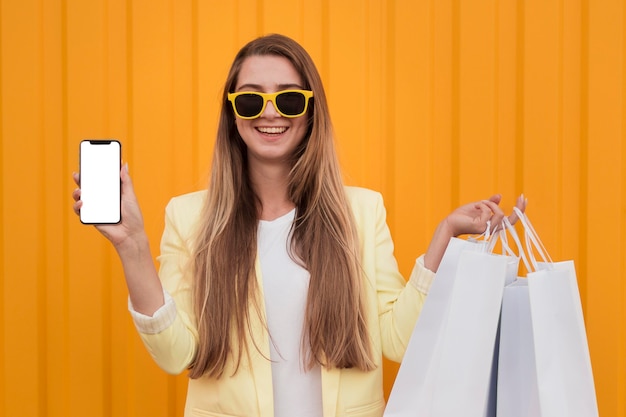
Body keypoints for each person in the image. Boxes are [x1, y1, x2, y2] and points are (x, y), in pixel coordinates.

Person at [72, 33, 525, 417]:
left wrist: (444, 236)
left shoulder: (362, 212)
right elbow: (177, 355)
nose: (270, 113)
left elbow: (395, 341)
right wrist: (131, 245)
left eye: (288, 97)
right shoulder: (189, 217)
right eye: (251, 99)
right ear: (233, 114)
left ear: (311, 110)